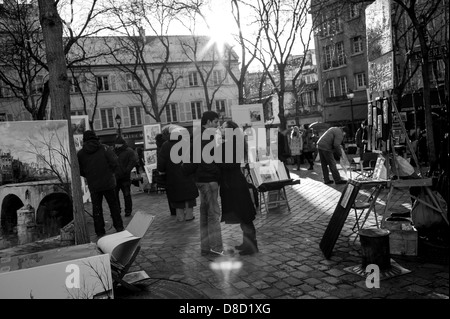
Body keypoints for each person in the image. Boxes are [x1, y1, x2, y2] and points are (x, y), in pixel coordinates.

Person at [182, 111, 224, 257]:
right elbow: (208, 161)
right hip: (209, 180)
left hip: (201, 180)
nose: (217, 125)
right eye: (216, 122)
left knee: (205, 214)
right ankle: (216, 249)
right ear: (208, 122)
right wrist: (217, 173)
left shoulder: (198, 137)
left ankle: (206, 248)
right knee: (213, 215)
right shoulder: (208, 137)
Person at [218, 120, 259, 255]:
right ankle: (247, 243)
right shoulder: (233, 143)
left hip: (234, 183)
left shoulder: (232, 145)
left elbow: (230, 165)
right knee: (243, 215)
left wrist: (217, 161)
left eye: (223, 128)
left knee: (244, 215)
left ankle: (252, 246)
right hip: (233, 182)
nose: (221, 129)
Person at [77, 130, 124, 237]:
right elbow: (114, 162)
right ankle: (119, 226)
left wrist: (89, 175)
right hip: (108, 182)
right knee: (113, 206)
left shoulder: (80, 154)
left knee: (97, 208)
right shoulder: (105, 148)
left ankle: (99, 230)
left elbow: (80, 170)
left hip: (94, 184)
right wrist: (110, 173)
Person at [157, 125, 199, 222]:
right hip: (187, 176)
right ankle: (189, 216)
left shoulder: (165, 146)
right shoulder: (187, 143)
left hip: (173, 177)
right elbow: (195, 160)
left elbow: (161, 164)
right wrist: (188, 169)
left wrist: (163, 171)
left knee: (177, 199)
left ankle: (180, 217)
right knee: (189, 198)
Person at [114, 136, 138, 217]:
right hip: (115, 177)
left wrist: (127, 170)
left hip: (125, 177)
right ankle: (117, 210)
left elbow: (133, 161)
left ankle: (128, 210)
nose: (116, 146)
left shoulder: (129, 151)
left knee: (127, 195)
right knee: (115, 196)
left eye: (117, 144)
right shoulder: (113, 151)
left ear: (121, 144)